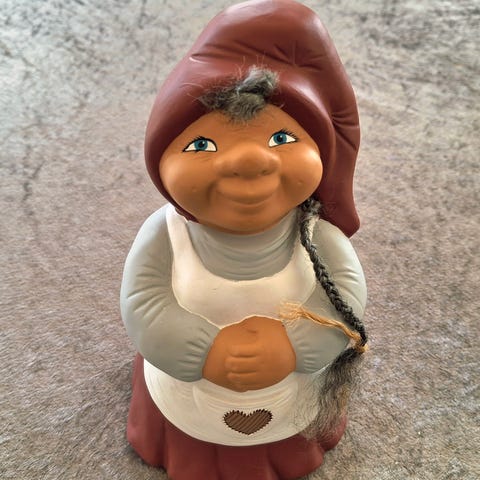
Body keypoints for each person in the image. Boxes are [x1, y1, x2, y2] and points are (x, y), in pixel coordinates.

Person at [120, 1, 368, 479]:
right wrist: (198, 350)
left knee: (292, 420)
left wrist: (297, 346)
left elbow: (346, 296)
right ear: (161, 164)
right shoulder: (166, 233)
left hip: (292, 389)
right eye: (201, 145)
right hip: (190, 390)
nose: (251, 162)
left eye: (281, 139)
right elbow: (142, 300)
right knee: (190, 418)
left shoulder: (317, 234)